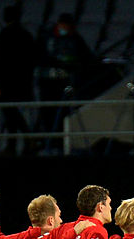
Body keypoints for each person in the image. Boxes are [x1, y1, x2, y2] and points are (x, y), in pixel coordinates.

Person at [36, 13, 96, 149]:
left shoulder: (75, 38)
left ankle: (59, 142)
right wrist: (56, 63)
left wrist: (73, 66)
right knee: (47, 113)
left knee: (63, 113)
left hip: (63, 82)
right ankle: (48, 141)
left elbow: (86, 56)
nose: (66, 29)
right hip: (46, 82)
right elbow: (39, 56)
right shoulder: (46, 37)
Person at [0, 4, 36, 154]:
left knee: (11, 113)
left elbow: (0, 59)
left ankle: (22, 142)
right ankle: (17, 144)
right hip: (22, 82)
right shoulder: (26, 34)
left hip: (7, 83)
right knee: (11, 114)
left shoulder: (6, 34)